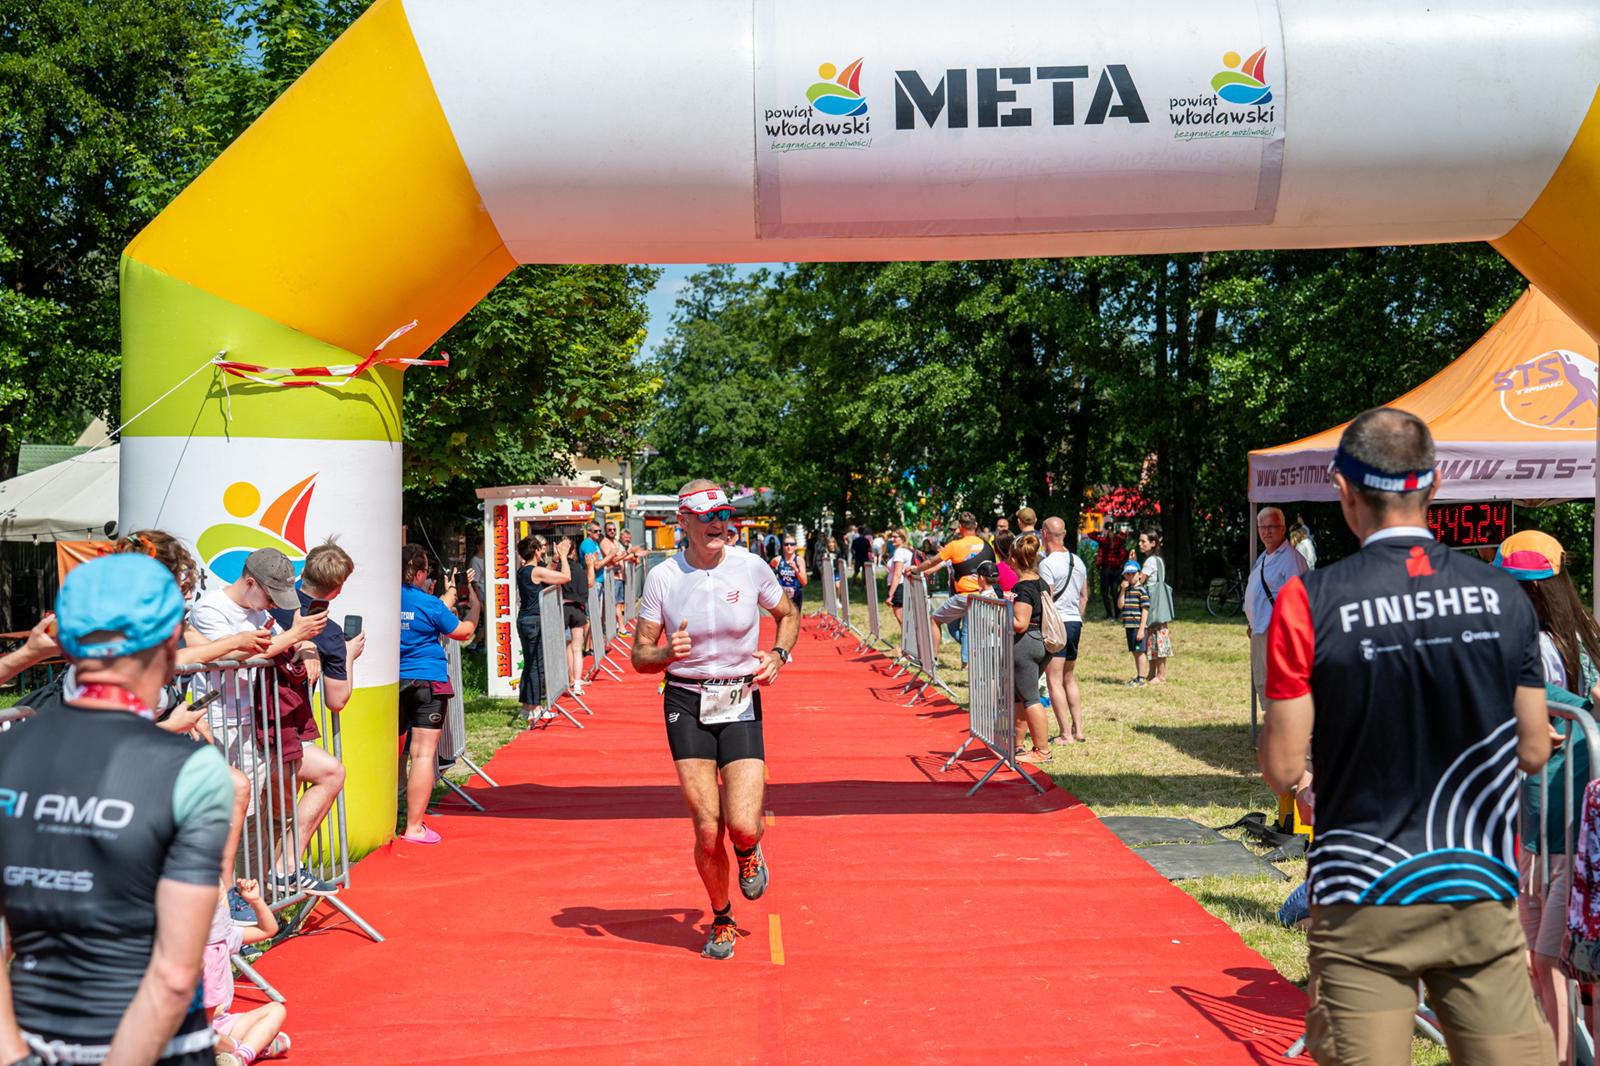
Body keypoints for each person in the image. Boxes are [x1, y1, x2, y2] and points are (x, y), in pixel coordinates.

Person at [1259, 407, 1553, 1065]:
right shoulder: (1503, 594)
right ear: (1436, 483)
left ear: (1343, 489)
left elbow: (1281, 766)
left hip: (1362, 894)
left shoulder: (1309, 600)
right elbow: (1534, 749)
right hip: (1475, 885)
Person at [0, 553, 234, 1066]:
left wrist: (14, 1055)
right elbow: (174, 976)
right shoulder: (192, 770)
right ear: (171, 641)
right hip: (159, 1048)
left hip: (33, 1038)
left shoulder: (8, 751)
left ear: (64, 642)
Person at [631, 480, 800, 961]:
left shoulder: (751, 567)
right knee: (708, 828)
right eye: (707, 517)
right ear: (683, 521)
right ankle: (722, 917)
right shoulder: (664, 577)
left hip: (739, 698)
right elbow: (640, 656)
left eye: (724, 516)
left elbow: (788, 613)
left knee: (742, 825)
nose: (718, 525)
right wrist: (667, 651)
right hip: (685, 701)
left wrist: (779, 654)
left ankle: (748, 851)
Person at [1492, 530, 1595, 1061]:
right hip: (1546, 824)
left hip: (1563, 827)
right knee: (1549, 959)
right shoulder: (1574, 636)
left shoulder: (1546, 645)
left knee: (1551, 960)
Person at [189, 547, 334, 895]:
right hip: (226, 725)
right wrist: (295, 637)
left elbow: (280, 646)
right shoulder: (209, 609)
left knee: (324, 776)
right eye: (271, 596)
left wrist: (308, 649)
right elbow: (238, 656)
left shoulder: (258, 611)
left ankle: (279, 877)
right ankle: (244, 900)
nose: (273, 605)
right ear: (251, 582)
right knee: (245, 818)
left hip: (260, 726)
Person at [263, 539, 363, 897]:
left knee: (274, 814)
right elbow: (337, 700)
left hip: (253, 724)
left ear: (302, 571)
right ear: (337, 589)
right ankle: (285, 870)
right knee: (330, 774)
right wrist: (348, 654)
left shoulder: (266, 606)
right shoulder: (329, 633)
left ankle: (274, 883)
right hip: (279, 733)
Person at [398, 543, 479, 844]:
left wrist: (448, 594)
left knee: (393, 753)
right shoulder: (428, 603)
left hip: (391, 682)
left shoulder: (384, 597)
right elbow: (463, 631)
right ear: (420, 573)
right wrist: (475, 607)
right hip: (428, 681)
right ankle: (414, 826)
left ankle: (387, 815)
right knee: (422, 754)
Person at [205, 878, 288, 1066]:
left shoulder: (224, 937)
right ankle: (250, 1047)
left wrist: (255, 901)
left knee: (276, 1009)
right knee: (204, 1035)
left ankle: (241, 1055)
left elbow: (268, 930)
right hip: (193, 1029)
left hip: (222, 1023)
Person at [1245, 507, 1308, 711]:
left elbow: (1298, 600)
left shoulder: (1291, 559)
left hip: (1278, 634)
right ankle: (1274, 723)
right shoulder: (1264, 557)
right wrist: (1252, 622)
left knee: (1281, 687)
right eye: (1262, 527)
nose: (1266, 531)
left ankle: (1286, 726)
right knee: (1264, 684)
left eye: (1272, 526)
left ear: (1283, 528)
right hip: (1260, 630)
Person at [911, 511, 995, 651]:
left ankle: (933, 658)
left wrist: (916, 570)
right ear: (976, 525)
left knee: (935, 620)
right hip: (986, 596)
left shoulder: (954, 546)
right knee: (978, 631)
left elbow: (931, 562)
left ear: (960, 526)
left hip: (965, 596)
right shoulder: (987, 545)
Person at [1038, 516, 1090, 744]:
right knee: (1069, 677)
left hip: (1057, 625)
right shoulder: (1077, 561)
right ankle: (1078, 730)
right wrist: (1077, 617)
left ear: (1044, 534)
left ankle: (1065, 734)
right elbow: (1084, 596)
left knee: (1054, 680)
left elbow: (1046, 599)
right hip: (1075, 622)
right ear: (1065, 534)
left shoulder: (1046, 564)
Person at [515, 534, 570, 724]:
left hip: (524, 619)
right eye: (540, 549)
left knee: (530, 664)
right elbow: (565, 577)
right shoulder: (535, 571)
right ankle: (536, 708)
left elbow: (546, 573)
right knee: (537, 666)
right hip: (534, 622)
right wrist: (564, 556)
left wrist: (555, 559)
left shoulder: (523, 570)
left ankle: (526, 707)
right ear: (536, 551)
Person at [1008, 535, 1053, 764]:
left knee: (1031, 699)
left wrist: (1000, 613)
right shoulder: (1041, 582)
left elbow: (1020, 623)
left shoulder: (1023, 587)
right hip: (1041, 642)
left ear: (1013, 559)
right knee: (1021, 696)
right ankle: (1017, 745)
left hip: (1026, 644)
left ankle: (1042, 751)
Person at [1138, 529, 1173, 684]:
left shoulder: (1150, 561)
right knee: (1153, 636)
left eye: (1143, 541)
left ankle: (1160, 675)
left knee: (1158, 636)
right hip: (1159, 602)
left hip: (1154, 603)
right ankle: (1153, 673)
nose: (1140, 544)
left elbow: (1139, 580)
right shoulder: (1158, 559)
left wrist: (1132, 563)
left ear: (1153, 543)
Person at [1118, 561, 1149, 686]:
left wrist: (1142, 629)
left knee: (1140, 651)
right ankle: (1138, 675)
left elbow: (1145, 610)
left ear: (1140, 574)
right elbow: (1120, 605)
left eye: (1133, 574)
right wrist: (1122, 590)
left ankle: (1141, 678)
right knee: (1135, 651)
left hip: (1137, 627)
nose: (1130, 577)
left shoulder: (1141, 590)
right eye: (1127, 574)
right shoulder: (1126, 590)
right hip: (1129, 626)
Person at [1096, 526, 1129, 620]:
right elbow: (1124, 540)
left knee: (1105, 593)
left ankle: (1110, 615)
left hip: (1107, 569)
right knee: (1114, 592)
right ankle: (1117, 614)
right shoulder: (1118, 540)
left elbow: (1091, 535)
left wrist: (1099, 532)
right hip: (1116, 569)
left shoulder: (1104, 540)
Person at [885, 529, 915, 625]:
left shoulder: (899, 552)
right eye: (892, 537)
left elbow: (897, 574)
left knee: (902, 620)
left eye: (895, 537)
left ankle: (909, 636)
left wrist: (890, 594)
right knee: (905, 620)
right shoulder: (907, 550)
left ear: (902, 538)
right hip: (904, 586)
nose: (892, 539)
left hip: (899, 587)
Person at [771, 535, 807, 609]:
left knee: (794, 616)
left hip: (795, 595)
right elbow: (767, 571)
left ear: (795, 547)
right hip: (782, 595)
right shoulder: (777, 560)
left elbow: (804, 582)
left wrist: (795, 569)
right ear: (783, 546)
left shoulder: (799, 560)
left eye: (792, 544)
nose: (789, 546)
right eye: (786, 544)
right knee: (782, 616)